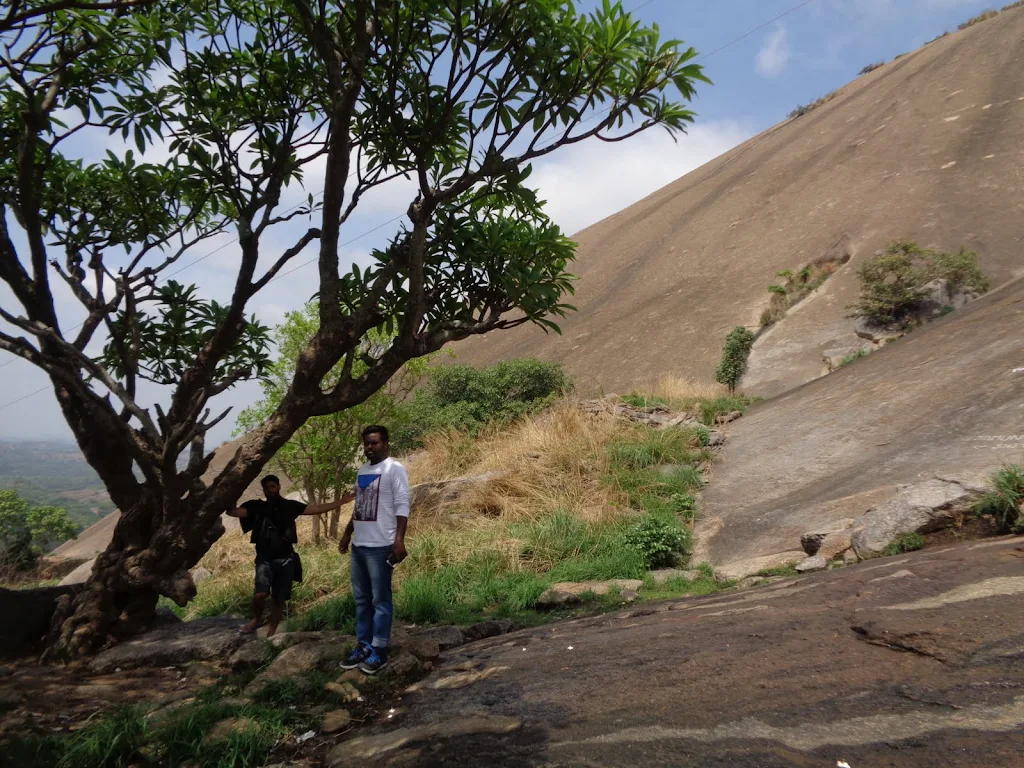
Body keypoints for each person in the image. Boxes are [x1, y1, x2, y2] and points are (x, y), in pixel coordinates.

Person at [227, 474, 348, 636]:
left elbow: (317, 509)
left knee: (279, 599)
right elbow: (233, 512)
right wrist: (232, 490)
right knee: (260, 594)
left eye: (272, 486)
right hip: (264, 560)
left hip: (286, 559)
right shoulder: (256, 507)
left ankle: (271, 632)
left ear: (278, 487)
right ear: (263, 490)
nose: (270, 490)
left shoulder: (290, 506)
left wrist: (342, 501)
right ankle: (256, 620)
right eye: (266, 488)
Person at [338, 425, 410, 675]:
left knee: (380, 600)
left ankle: (380, 649)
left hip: (381, 546)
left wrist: (399, 540)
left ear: (386, 443)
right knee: (361, 600)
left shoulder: (394, 468)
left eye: (374, 443)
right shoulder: (363, 471)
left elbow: (402, 505)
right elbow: (360, 505)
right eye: (366, 444)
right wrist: (348, 534)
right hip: (360, 545)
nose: (369, 448)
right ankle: (364, 646)